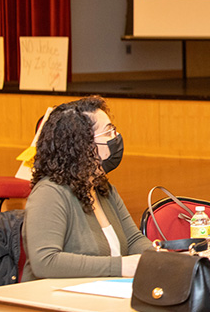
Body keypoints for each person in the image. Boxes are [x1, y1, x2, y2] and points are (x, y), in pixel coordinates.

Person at [21, 95, 153, 281]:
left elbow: (133, 241)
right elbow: (45, 262)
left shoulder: (102, 188)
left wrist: (159, 259)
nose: (116, 138)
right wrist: (121, 266)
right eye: (108, 133)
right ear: (82, 144)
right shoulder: (49, 193)